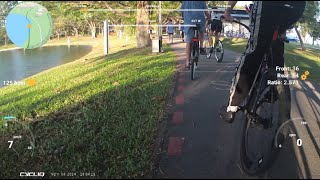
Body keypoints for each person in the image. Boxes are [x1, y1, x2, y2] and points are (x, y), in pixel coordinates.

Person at [220, 1, 306, 123]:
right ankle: (275, 88)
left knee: (254, 51)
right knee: (276, 44)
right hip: (295, 6)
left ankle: (232, 106)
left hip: (267, 6)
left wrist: (227, 11)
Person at [181, 1, 211, 68]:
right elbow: (206, 12)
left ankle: (187, 62)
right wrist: (209, 18)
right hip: (199, 20)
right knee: (202, 31)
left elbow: (182, 12)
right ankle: (201, 46)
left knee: (188, 42)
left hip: (189, 21)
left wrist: (184, 17)